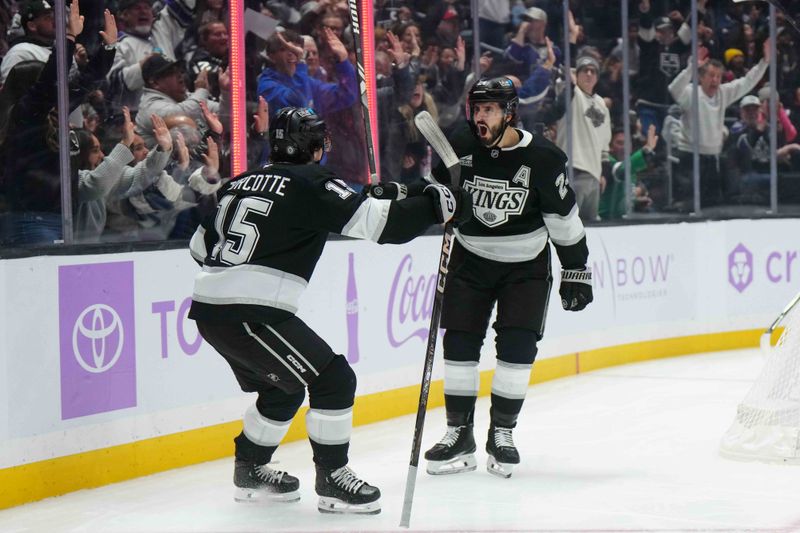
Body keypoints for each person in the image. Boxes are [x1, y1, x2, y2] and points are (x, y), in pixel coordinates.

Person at [187, 107, 470, 514]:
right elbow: (382, 227)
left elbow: (199, 249)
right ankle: (333, 479)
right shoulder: (313, 181)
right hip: (251, 313)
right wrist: (436, 206)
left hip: (211, 311)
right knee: (334, 380)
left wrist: (409, 192)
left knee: (282, 387)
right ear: (317, 147)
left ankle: (250, 468)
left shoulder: (240, 183)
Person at [374, 77, 592, 478]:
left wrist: (576, 268)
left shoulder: (544, 158)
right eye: (476, 109)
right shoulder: (461, 144)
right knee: (458, 342)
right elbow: (436, 191)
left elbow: (563, 220)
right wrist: (401, 194)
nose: (480, 117)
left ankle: (502, 432)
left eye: (489, 109)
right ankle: (460, 432)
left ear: (510, 113)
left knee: (517, 345)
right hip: (470, 258)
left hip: (525, 265)